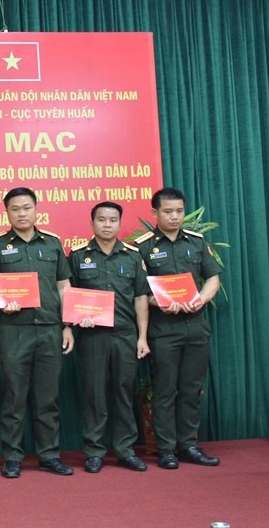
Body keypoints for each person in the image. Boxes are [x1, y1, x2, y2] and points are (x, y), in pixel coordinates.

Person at [0, 187, 74, 478]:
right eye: (15, 209)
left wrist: (68, 325)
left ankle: (49, 454)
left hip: (50, 329)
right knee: (14, 396)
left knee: (48, 397)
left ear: (37, 210)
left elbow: (63, 286)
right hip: (13, 330)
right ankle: (12, 457)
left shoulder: (52, 244)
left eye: (26, 208)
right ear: (6, 212)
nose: (21, 213)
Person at [134, 187, 221, 469]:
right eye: (168, 211)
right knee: (164, 390)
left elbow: (212, 279)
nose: (175, 217)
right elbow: (139, 294)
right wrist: (160, 302)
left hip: (195, 326)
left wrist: (201, 299)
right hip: (163, 330)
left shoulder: (196, 242)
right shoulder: (143, 247)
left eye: (179, 211)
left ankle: (189, 445)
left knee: (191, 389)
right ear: (155, 213)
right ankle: (166, 449)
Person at [68, 201, 150, 473]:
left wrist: (142, 337)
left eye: (112, 220)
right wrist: (77, 318)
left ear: (119, 223)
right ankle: (94, 451)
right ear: (92, 224)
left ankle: (126, 450)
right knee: (94, 394)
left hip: (126, 335)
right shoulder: (78, 255)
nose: (107, 224)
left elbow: (140, 298)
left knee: (123, 392)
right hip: (92, 336)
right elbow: (70, 297)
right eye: (101, 220)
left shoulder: (132, 256)